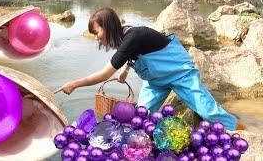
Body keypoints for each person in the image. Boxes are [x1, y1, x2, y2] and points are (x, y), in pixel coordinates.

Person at [54, 7, 245, 131]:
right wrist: (126, 70)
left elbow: (104, 74)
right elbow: (135, 53)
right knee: (140, 116)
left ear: (109, 27)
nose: (97, 37)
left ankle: (242, 131)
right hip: (155, 82)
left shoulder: (133, 36)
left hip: (180, 73)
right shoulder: (125, 37)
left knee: (208, 112)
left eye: (97, 32)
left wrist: (74, 84)